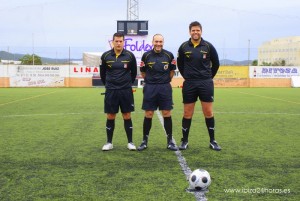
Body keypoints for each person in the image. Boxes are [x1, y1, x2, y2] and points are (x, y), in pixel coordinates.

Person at [177, 21, 221, 151]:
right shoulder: (184, 47)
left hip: (205, 83)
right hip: (189, 83)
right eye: (193, 30)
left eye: (198, 30)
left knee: (208, 112)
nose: (195, 33)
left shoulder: (208, 46)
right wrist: (187, 76)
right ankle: (184, 141)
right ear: (189, 31)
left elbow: (216, 63)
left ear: (201, 31)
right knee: (187, 113)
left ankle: (212, 140)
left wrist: (208, 77)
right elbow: (180, 64)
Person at [137, 34, 178, 151]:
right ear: (153, 42)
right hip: (150, 88)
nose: (158, 44)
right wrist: (150, 82)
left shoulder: (169, 55)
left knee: (166, 113)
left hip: (165, 87)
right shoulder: (146, 55)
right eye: (156, 41)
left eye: (160, 42)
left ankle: (170, 141)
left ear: (163, 42)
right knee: (149, 113)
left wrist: (165, 81)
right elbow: (143, 72)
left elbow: (171, 71)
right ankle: (144, 141)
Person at [100, 32, 137, 151]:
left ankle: (130, 142)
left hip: (125, 90)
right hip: (111, 90)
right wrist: (110, 85)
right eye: (116, 41)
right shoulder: (105, 56)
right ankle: (109, 142)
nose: (118, 43)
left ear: (123, 42)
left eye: (121, 41)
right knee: (111, 115)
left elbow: (134, 73)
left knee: (127, 115)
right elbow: (102, 74)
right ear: (113, 42)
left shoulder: (130, 56)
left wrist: (126, 84)